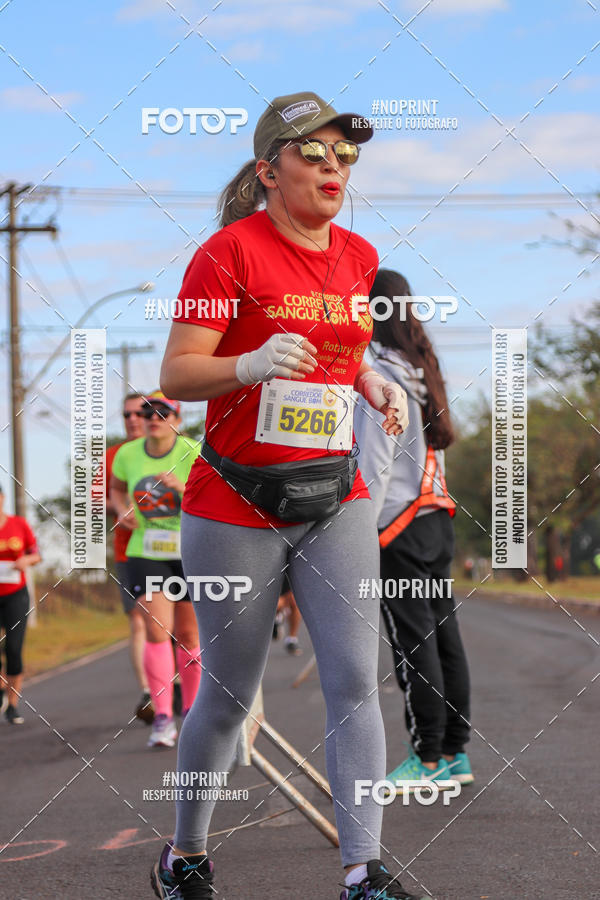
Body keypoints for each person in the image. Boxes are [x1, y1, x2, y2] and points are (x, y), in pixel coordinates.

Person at [150, 91, 433, 900]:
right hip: (234, 501)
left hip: (334, 493)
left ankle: (363, 871)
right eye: (313, 152)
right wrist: (248, 363)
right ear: (270, 170)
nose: (333, 165)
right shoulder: (226, 253)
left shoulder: (359, 255)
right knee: (228, 694)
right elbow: (177, 374)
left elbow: (341, 346)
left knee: (354, 679)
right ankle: (185, 856)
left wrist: (370, 380)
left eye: (345, 154)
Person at [354, 269, 473, 793]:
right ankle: (453, 753)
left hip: (397, 524)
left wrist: (360, 533)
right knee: (444, 636)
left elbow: (375, 463)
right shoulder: (422, 363)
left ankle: (426, 759)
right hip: (436, 517)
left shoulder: (379, 369)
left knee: (414, 644)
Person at [110, 391, 202, 749]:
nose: (152, 419)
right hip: (146, 551)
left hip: (189, 550)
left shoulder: (192, 451)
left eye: (162, 413)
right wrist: (122, 510)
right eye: (147, 413)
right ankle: (163, 718)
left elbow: (215, 496)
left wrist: (185, 487)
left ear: (177, 420)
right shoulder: (128, 454)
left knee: (189, 636)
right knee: (156, 629)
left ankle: (192, 714)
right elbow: (117, 489)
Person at [105, 391, 156, 723]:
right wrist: (121, 509)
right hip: (130, 551)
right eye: (127, 415)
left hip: (175, 550)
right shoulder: (113, 456)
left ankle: (178, 683)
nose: (134, 419)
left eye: (141, 413)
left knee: (177, 625)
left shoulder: (170, 447)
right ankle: (149, 691)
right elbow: (96, 500)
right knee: (140, 620)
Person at [0, 484, 41, 724]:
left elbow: (36, 554)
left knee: (13, 649)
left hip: (16, 594)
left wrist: (26, 560)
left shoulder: (19, 524)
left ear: (3, 498)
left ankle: (12, 705)